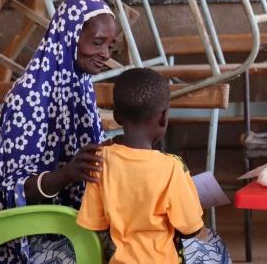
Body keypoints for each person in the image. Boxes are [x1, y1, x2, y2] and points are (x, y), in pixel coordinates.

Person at [0, 0, 118, 263]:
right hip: (35, 233)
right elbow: (13, 189)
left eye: (111, 46)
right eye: (97, 43)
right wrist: (68, 173)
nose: (105, 55)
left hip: (75, 218)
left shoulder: (80, 85)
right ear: (70, 37)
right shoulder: (27, 98)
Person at [77, 68, 231, 264]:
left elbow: (95, 224)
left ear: (116, 116)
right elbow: (190, 229)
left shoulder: (99, 159)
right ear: (163, 117)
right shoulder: (171, 167)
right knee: (216, 244)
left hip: (117, 260)